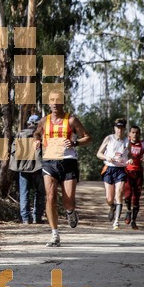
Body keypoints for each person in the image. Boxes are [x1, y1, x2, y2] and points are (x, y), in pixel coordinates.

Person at [33, 90, 92, 247]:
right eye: (51, 100)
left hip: (68, 162)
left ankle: (70, 212)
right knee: (51, 196)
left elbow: (87, 137)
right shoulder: (44, 121)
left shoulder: (71, 120)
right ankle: (54, 234)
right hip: (49, 162)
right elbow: (36, 134)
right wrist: (37, 142)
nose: (54, 103)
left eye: (57, 100)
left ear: (62, 102)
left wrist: (75, 143)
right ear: (48, 103)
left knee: (68, 201)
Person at [9, 113, 45, 224]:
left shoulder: (20, 134)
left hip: (23, 169)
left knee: (24, 193)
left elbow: (14, 152)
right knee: (39, 193)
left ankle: (25, 219)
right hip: (38, 168)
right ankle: (37, 218)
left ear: (29, 123)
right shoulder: (42, 135)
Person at [96, 118, 129, 230]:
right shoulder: (109, 138)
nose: (119, 130)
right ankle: (112, 207)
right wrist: (106, 157)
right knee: (109, 199)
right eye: (117, 127)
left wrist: (130, 160)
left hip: (121, 170)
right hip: (109, 169)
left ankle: (116, 222)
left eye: (121, 128)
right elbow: (99, 154)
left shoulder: (127, 141)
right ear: (115, 128)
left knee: (119, 194)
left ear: (124, 129)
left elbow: (132, 156)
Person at [124, 125, 144, 229]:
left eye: (137, 133)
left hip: (138, 173)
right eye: (133, 132)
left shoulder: (143, 144)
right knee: (128, 195)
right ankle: (128, 210)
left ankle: (134, 221)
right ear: (129, 133)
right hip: (127, 172)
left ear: (139, 134)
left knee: (136, 198)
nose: (135, 135)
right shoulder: (125, 143)